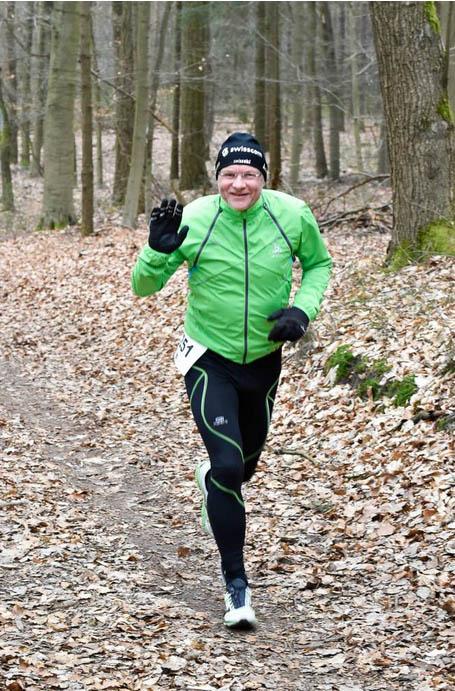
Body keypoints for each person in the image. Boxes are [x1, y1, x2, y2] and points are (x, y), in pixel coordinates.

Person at [131, 132, 332, 629]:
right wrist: (156, 252)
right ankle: (236, 584)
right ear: (217, 178)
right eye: (229, 175)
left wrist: (302, 311)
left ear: (264, 177)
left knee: (242, 468)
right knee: (227, 463)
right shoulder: (197, 218)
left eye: (248, 175)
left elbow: (319, 265)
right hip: (209, 357)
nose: (238, 184)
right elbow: (143, 287)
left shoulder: (292, 215)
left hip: (263, 360)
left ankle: (215, 480)